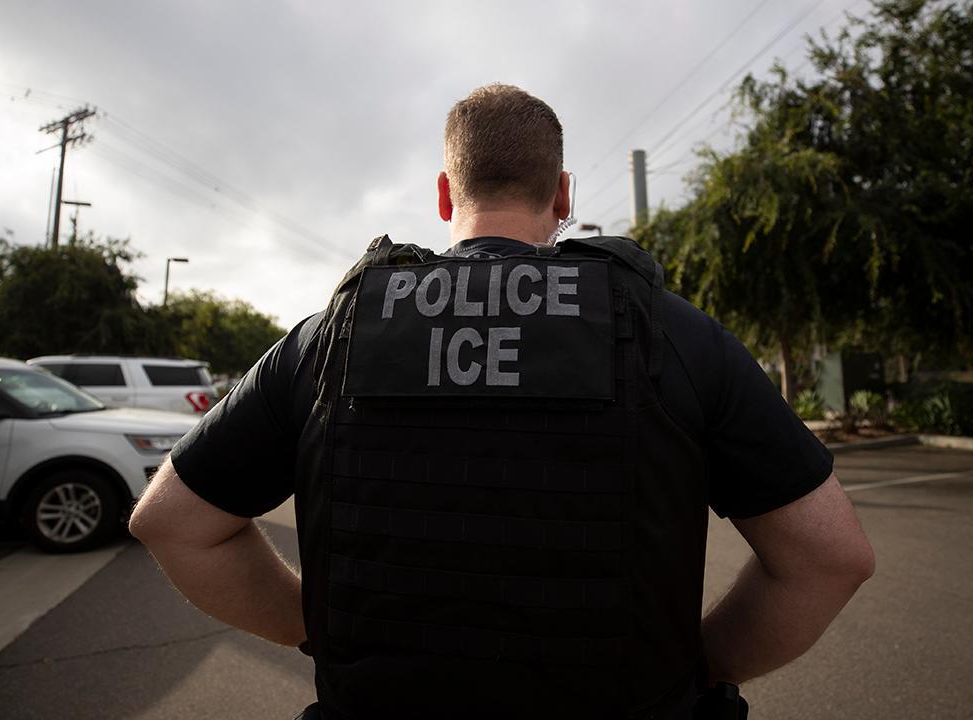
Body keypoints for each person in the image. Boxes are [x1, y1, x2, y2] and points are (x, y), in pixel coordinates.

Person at [130, 83, 875, 720]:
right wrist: (699, 664)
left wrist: (313, 626)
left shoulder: (335, 336)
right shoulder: (670, 331)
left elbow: (171, 523)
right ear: (563, 196)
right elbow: (828, 559)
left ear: (446, 194)